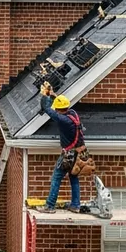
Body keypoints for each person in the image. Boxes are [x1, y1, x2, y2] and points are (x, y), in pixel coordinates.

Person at [38, 83, 88, 214]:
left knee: (56, 178)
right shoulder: (73, 114)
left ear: (59, 110)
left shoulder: (63, 120)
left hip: (69, 154)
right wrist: (52, 93)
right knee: (74, 177)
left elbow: (47, 108)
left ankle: (49, 206)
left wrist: (44, 95)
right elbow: (60, 104)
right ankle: (75, 205)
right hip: (80, 152)